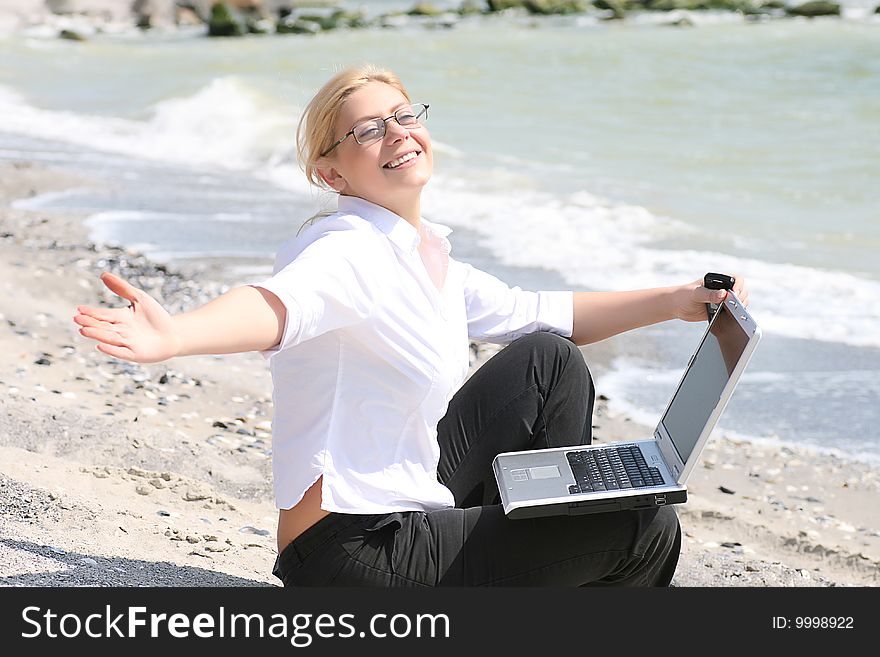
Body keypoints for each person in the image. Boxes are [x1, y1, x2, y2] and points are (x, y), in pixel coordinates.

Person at [74, 64, 749, 587]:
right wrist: (177, 335)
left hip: (397, 507)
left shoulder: (425, 254)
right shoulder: (348, 249)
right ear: (330, 170)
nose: (397, 133)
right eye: (369, 129)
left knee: (549, 360)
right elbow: (279, 305)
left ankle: (542, 548)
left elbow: (546, 313)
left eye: (403, 115)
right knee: (646, 527)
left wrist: (676, 298)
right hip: (353, 558)